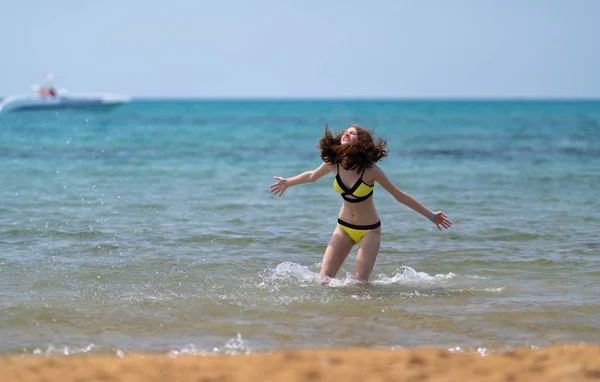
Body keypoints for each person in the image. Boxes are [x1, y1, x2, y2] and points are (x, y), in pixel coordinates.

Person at [269, 125, 452, 282]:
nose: (346, 135)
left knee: (359, 286)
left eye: (352, 133)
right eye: (345, 133)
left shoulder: (371, 171)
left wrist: (431, 216)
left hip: (369, 231)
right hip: (343, 228)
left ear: (361, 142)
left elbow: (399, 195)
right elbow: (311, 176)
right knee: (323, 280)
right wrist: (288, 182)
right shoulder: (334, 164)